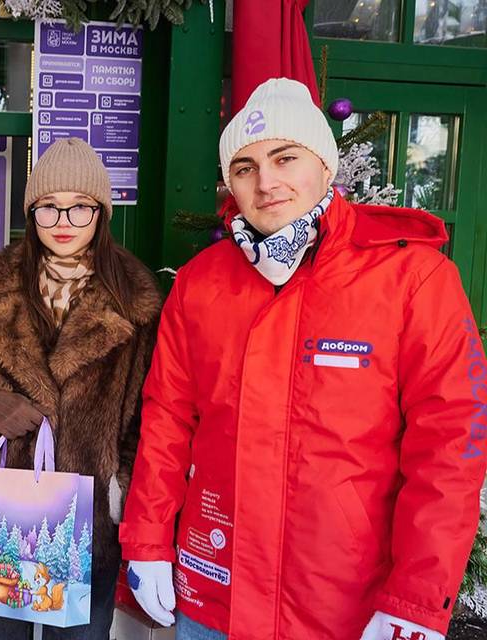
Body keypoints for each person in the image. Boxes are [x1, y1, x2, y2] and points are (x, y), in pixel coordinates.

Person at [120, 78, 487, 640]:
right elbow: (167, 420)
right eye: (245, 167)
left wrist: (416, 600)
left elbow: (450, 447)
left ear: (323, 164)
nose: (266, 182)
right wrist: (147, 541)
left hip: (347, 609)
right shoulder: (201, 282)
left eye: (285, 158)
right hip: (215, 596)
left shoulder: (413, 279)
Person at [0, 137, 162, 640]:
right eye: (49, 207)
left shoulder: (135, 300)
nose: (64, 221)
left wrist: (120, 487)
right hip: (0, 519)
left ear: (101, 213)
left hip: (90, 518)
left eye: (80, 207)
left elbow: (153, 412)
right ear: (31, 212)